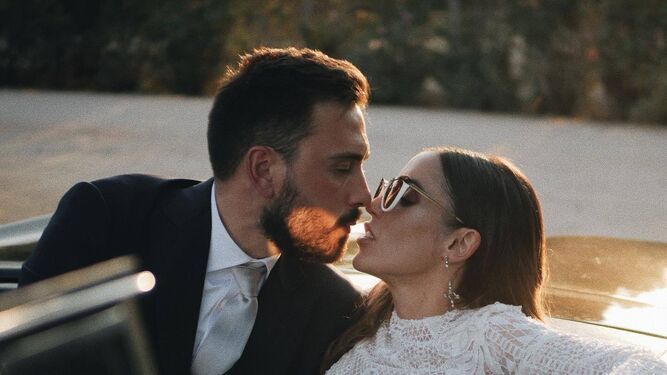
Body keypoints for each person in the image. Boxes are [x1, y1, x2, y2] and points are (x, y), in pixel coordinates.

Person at [20, 47, 373, 375]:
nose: (363, 194)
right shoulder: (105, 219)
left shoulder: (334, 308)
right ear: (263, 170)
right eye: (342, 168)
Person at [323, 147, 667, 374]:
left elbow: (647, 366)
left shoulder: (489, 334)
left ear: (459, 243)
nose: (373, 205)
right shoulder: (362, 321)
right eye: (387, 189)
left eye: (405, 195)